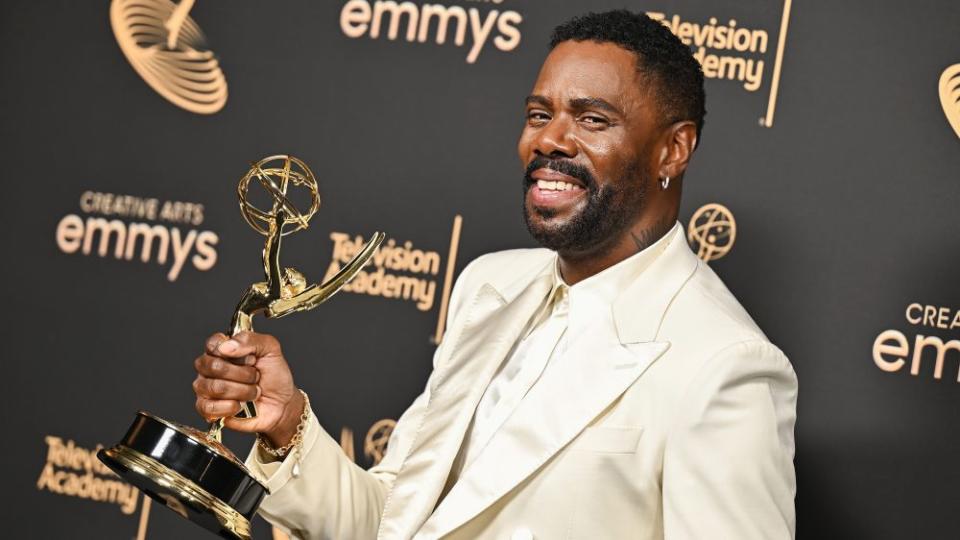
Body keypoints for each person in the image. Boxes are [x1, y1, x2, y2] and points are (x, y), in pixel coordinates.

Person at [192, 10, 797, 540]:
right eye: (540, 113)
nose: (550, 139)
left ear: (673, 150)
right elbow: (396, 522)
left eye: (592, 119)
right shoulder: (489, 285)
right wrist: (285, 425)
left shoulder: (725, 366)